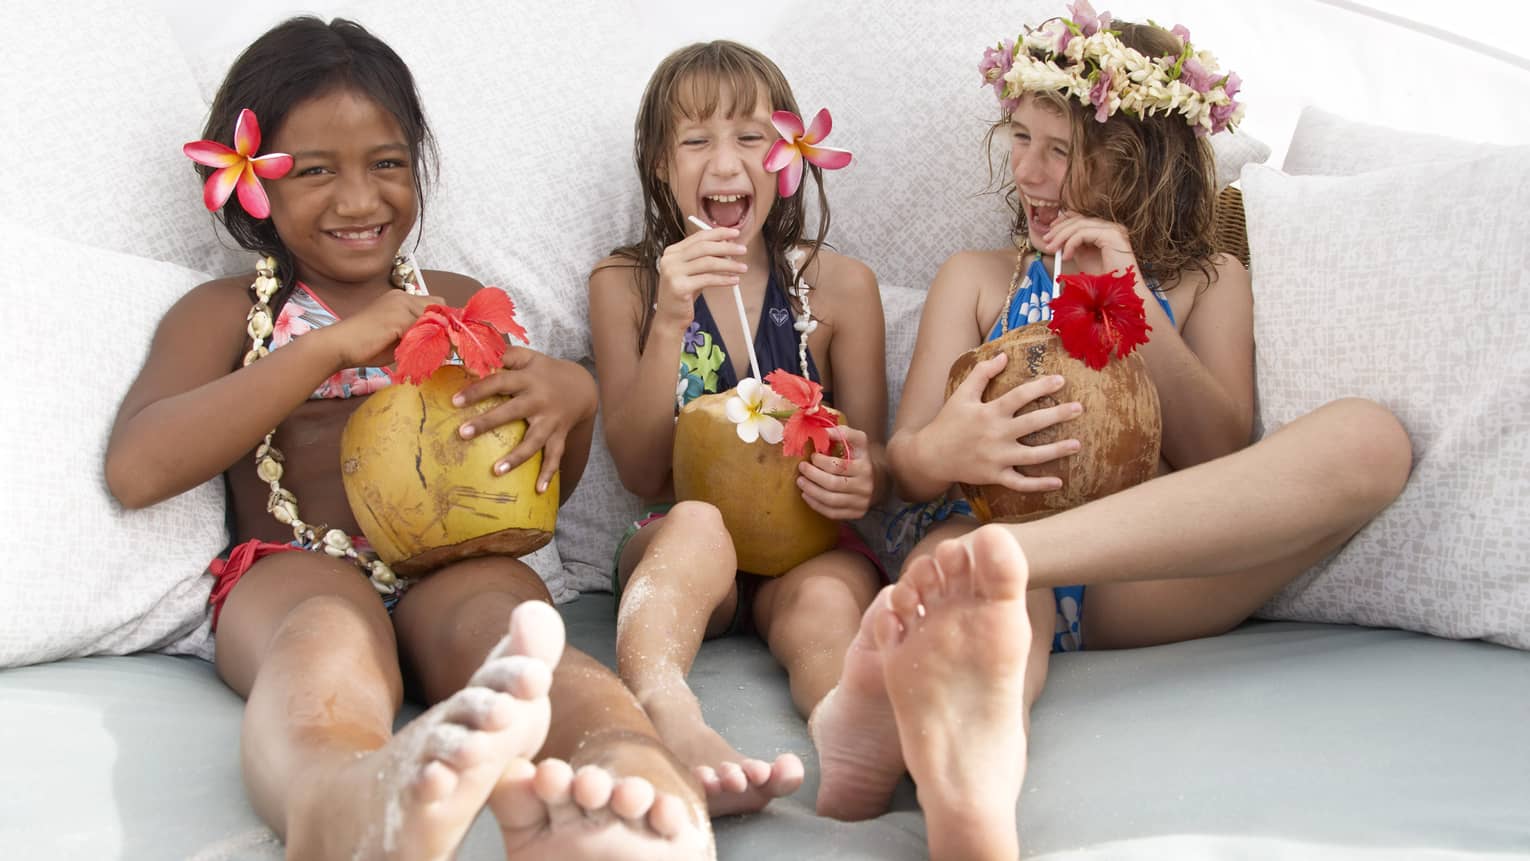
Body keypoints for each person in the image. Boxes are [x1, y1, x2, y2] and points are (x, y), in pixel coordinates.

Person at [809, 5, 1412, 860]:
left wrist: (1129, 307)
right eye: (1020, 139)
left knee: (1374, 440)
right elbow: (905, 464)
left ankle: (1016, 562)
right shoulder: (980, 281)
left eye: (1063, 152)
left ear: (1140, 166)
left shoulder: (1210, 282)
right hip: (969, 542)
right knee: (991, 599)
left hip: (1133, 572)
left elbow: (1221, 459)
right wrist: (947, 448)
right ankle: (971, 791)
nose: (1030, 171)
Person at [105, 17, 712, 859]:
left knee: (513, 627)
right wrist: (323, 350)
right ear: (254, 186)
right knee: (324, 639)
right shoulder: (228, 314)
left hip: (453, 567)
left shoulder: (460, 304)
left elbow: (533, 486)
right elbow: (137, 468)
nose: (360, 199)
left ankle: (626, 776)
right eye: (316, 171)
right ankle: (340, 798)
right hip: (294, 571)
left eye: (387, 163)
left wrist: (569, 404)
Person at [588, 40, 889, 815]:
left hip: (808, 548)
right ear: (660, 163)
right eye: (695, 140)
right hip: (683, 542)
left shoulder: (844, 288)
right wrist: (670, 318)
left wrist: (863, 474)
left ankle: (846, 726)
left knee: (826, 600)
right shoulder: (625, 284)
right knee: (694, 526)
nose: (725, 163)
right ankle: (669, 716)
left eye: (750, 138)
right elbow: (639, 469)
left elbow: (873, 463)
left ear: (786, 155)